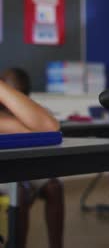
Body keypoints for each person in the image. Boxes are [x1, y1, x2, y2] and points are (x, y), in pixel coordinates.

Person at [0, 68, 63, 248]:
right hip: (7, 171)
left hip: (18, 167)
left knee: (52, 185)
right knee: (17, 191)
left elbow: (49, 126)